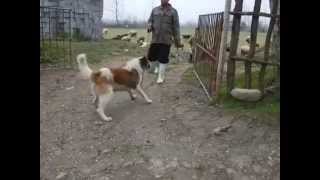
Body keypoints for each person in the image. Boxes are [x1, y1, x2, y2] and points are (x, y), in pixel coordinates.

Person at [147, 0, 183, 84]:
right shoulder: (155, 10)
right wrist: (149, 25)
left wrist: (177, 41)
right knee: (152, 57)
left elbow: (176, 27)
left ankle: (161, 77)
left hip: (166, 40)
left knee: (163, 58)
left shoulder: (173, 12)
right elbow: (150, 20)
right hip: (155, 39)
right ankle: (156, 68)